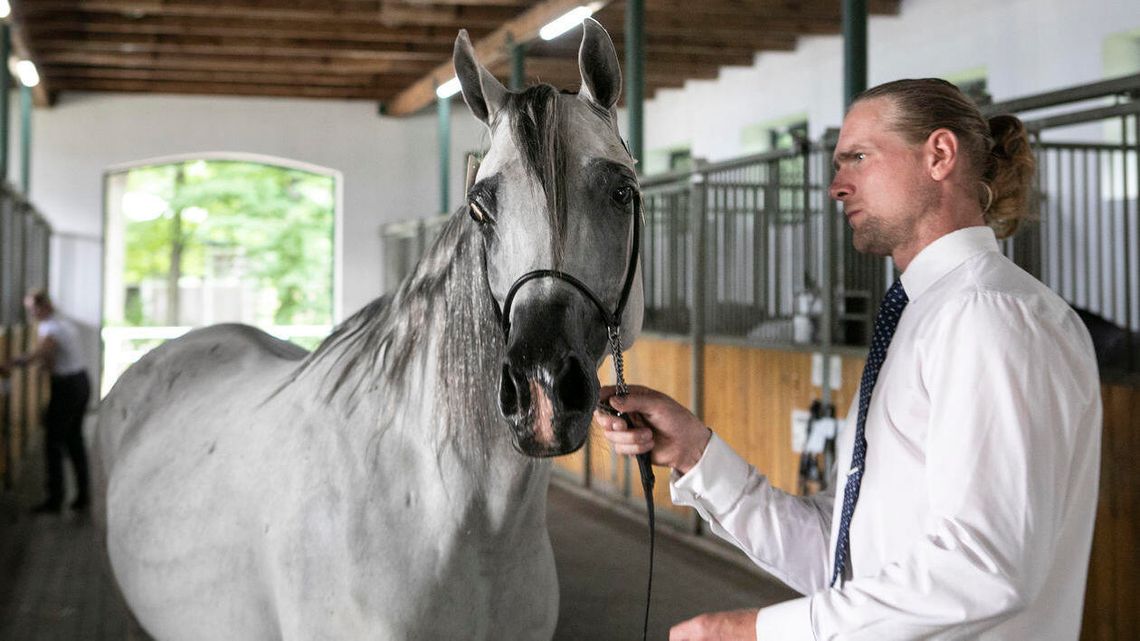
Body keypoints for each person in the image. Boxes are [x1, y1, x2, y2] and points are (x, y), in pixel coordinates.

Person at [596, 78, 1101, 640]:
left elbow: (985, 565)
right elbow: (840, 559)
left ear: (939, 155)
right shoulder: (921, 316)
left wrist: (759, 632)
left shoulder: (989, 316)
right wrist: (696, 454)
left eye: (857, 157)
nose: (837, 186)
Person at [1, 289, 92, 513]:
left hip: (67, 387)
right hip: (81, 381)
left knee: (53, 442)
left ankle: (55, 498)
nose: (31, 314)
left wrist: (13, 362)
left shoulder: (51, 327)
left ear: (45, 307)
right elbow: (51, 356)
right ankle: (83, 495)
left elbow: (42, 352)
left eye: (33, 309)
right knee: (74, 439)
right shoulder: (64, 323)